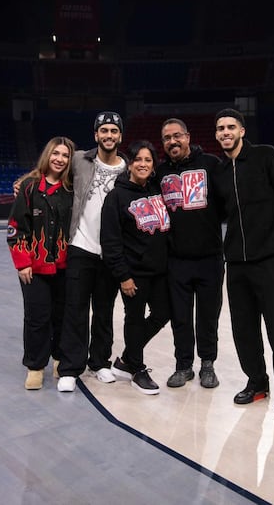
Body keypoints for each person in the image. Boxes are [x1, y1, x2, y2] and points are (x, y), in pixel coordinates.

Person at [213, 108, 274, 414]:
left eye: (230, 127)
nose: (225, 132)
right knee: (243, 329)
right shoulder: (222, 172)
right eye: (220, 128)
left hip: (269, 260)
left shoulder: (266, 156)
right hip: (236, 263)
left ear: (242, 131)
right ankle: (257, 384)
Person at [57, 111, 127, 393]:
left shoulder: (129, 169)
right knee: (75, 309)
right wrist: (23, 183)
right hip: (81, 246)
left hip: (111, 252)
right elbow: (49, 171)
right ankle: (70, 367)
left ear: (120, 136)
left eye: (113, 131)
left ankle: (99, 362)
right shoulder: (79, 160)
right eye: (104, 131)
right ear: (96, 135)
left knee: (104, 310)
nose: (108, 135)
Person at [156, 118, 224, 388]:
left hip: (210, 258)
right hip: (177, 260)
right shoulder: (159, 172)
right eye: (166, 138)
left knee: (208, 316)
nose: (172, 141)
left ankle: (208, 364)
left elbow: (229, 199)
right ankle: (184, 366)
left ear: (187, 136)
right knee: (181, 318)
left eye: (177, 136)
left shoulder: (211, 164)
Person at [101, 140, 171, 394]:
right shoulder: (116, 196)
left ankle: (128, 359)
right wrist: (123, 276)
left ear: (153, 166)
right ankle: (137, 368)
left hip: (160, 270)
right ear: (130, 164)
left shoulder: (156, 189)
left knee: (163, 313)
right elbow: (110, 241)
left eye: (148, 160)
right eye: (138, 159)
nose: (143, 164)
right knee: (135, 318)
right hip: (134, 273)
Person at [7, 136, 75, 390]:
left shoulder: (71, 189)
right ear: (48, 155)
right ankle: (35, 366)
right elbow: (16, 228)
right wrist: (22, 262)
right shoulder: (29, 187)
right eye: (56, 153)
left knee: (62, 315)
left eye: (65, 155)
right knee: (37, 317)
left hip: (65, 266)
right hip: (33, 268)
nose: (60, 159)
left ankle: (59, 358)